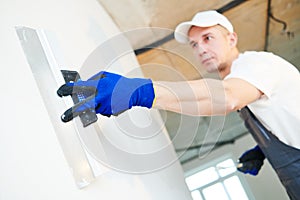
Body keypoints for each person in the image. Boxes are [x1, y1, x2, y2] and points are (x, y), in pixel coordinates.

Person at [57, 10, 300, 199]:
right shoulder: (241, 79)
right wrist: (263, 151)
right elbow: (202, 103)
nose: (201, 49)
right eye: (194, 44)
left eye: (208, 38)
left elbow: (227, 97)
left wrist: (140, 91)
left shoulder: (258, 64)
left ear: (232, 38)